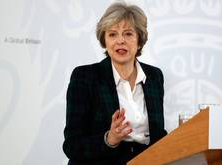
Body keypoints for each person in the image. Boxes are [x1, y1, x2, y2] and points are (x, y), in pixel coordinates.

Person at [62, 2, 167, 165]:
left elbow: (158, 135)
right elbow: (72, 146)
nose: (120, 41)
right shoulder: (85, 77)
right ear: (104, 41)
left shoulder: (154, 77)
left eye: (128, 34)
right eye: (112, 34)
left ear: (139, 40)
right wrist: (109, 139)